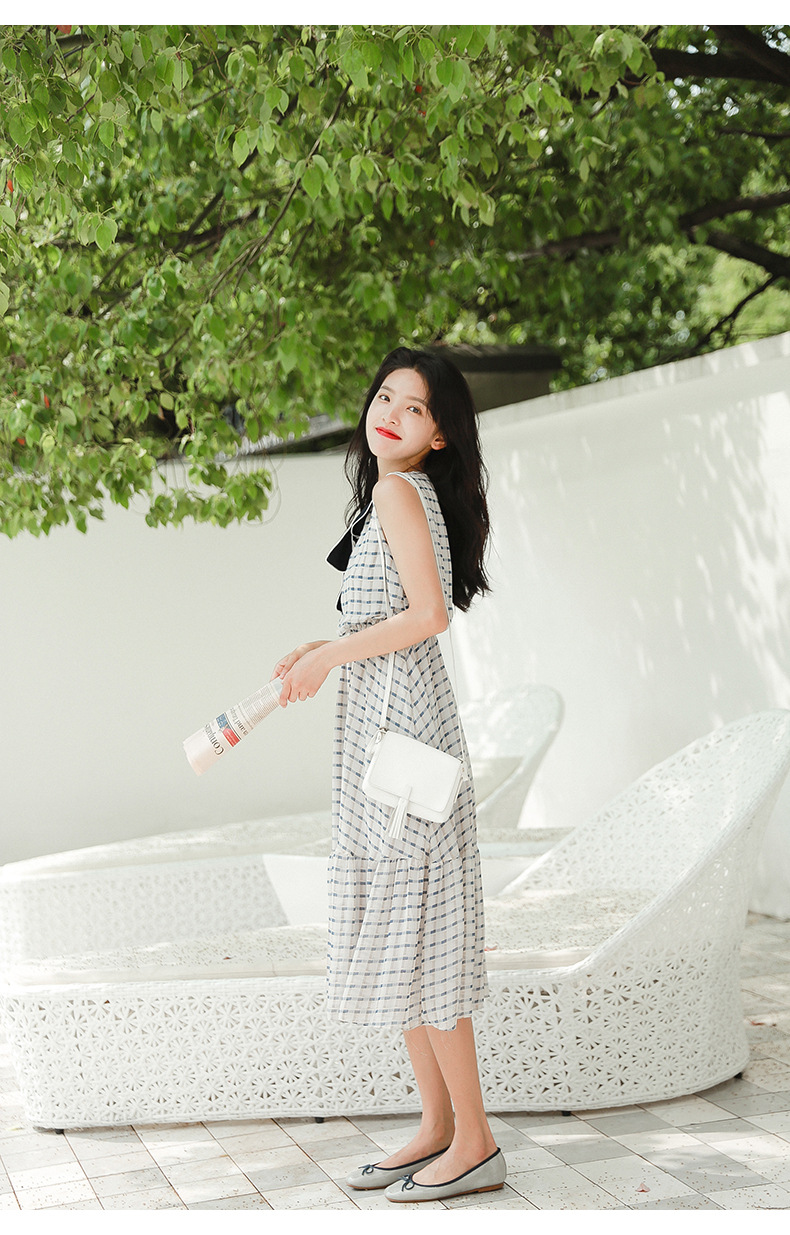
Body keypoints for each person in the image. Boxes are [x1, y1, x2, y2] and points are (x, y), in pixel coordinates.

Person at [272, 347, 506, 1203]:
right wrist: (322, 645)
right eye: (385, 396)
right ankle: (437, 1124)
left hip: (405, 739)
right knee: (401, 936)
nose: (390, 414)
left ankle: (475, 1140)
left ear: (439, 434)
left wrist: (330, 655)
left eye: (413, 408)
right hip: (386, 738)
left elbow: (428, 614)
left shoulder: (401, 493)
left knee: (423, 937)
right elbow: (393, 612)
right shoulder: (392, 495)